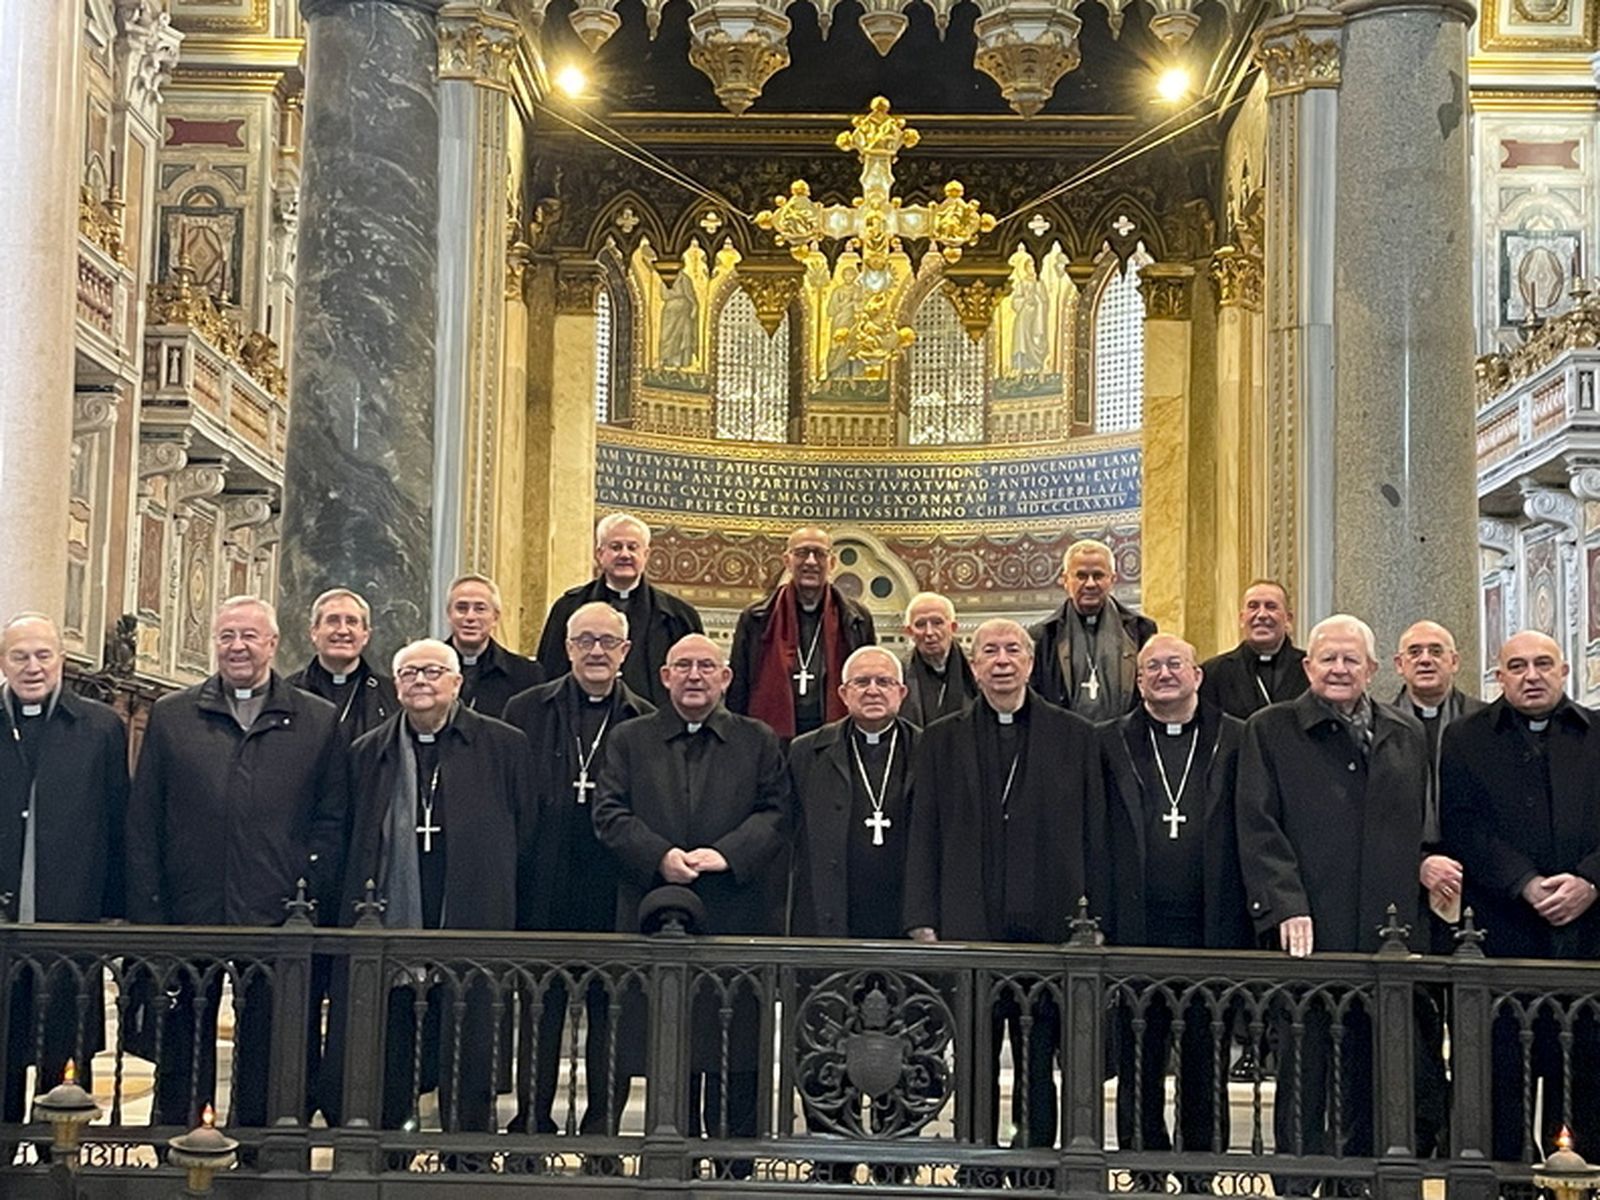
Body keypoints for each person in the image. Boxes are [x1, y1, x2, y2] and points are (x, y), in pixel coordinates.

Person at [127, 596, 348, 1127]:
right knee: (182, 1048)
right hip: (189, 910)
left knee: (268, 1051)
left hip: (275, 914)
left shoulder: (317, 720)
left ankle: (258, 1149)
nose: (238, 646)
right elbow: (145, 818)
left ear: (273, 643)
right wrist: (151, 910)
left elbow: (332, 818)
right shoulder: (172, 715)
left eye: (250, 636)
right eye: (227, 636)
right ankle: (175, 1144)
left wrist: (305, 886)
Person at [1236, 614, 1426, 1170]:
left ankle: (1364, 1178)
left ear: (1371, 668)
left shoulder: (1404, 733)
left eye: (1351, 660)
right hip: (1310, 928)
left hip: (1387, 933)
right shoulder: (1269, 729)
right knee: (1307, 1061)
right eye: (1329, 659)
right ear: (1308, 666)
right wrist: (1286, 904)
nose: (1340, 669)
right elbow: (1258, 825)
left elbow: (1419, 824)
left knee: (1378, 1066)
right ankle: (1298, 1177)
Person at [904, 618, 1097, 1148]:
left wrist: (1096, 917)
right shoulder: (943, 737)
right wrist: (922, 917)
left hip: (1051, 921)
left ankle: (1034, 1153)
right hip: (971, 920)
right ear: (975, 663)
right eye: (990, 651)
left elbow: (1095, 830)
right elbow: (925, 830)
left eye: (1014, 650)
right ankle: (976, 1155)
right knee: (974, 1052)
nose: (1003, 660)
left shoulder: (1075, 734)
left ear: (1031, 662)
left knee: (1040, 1054)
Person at [592, 634, 790, 1146]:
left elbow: (776, 811)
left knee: (734, 1051)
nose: (695, 675)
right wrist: (659, 856)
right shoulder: (629, 739)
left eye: (706, 666)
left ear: (726, 678)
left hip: (735, 914)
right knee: (666, 1047)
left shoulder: (758, 739)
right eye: (683, 665)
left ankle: (733, 1165)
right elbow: (609, 813)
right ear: (664, 676)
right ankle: (669, 1156)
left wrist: (729, 854)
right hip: (654, 914)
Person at [334, 638, 534, 1132]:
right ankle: (391, 1146)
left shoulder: (504, 745)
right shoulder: (369, 751)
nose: (421, 681)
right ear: (396, 685)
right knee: (392, 1043)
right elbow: (355, 836)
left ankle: (466, 1151)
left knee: (469, 1040)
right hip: (393, 926)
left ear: (457, 683)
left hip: (473, 916)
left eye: (432, 671)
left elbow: (525, 829)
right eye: (409, 673)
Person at [1441, 631, 1600, 1161]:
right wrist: (1525, 883)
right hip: (1503, 928)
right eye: (1517, 666)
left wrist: (1589, 881)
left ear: (1565, 671)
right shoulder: (1465, 738)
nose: (1531, 675)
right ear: (1498, 676)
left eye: (1542, 664)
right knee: (1501, 1069)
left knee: (1585, 1074)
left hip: (1588, 934)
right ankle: (1506, 1178)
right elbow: (1463, 827)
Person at [504, 602, 655, 1136]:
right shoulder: (525, 710)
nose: (596, 651)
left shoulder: (646, 720)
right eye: (585, 641)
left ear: (625, 652)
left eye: (608, 642)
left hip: (614, 885)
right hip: (544, 880)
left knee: (610, 1014)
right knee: (539, 1012)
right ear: (567, 648)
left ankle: (603, 1126)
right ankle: (531, 1120)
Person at [1097, 634, 1248, 1160]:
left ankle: (1204, 1159)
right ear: (1139, 682)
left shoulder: (1236, 737)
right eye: (1152, 667)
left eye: (1175, 664)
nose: (1164, 674)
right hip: (1137, 922)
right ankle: (1143, 1158)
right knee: (1140, 1046)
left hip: (1213, 921)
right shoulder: (1110, 740)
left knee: (1207, 1046)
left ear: (1197, 675)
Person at [0, 614, 128, 1124]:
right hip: (3, 923)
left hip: (70, 921)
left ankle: (61, 1164)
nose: (32, 667)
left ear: (62, 660)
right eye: (19, 656)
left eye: (42, 655)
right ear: (3, 662)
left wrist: (117, 914)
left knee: (67, 1055)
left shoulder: (100, 727)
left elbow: (119, 821)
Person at [1394, 619, 1483, 1156]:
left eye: (1436, 651)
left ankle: (1470, 1130)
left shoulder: (1483, 723)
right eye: (1414, 652)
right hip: (1402, 883)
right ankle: (1426, 1121)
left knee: (1470, 1012)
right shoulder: (1375, 722)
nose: (1426, 660)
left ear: (1455, 661)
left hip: (1476, 885)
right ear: (1399, 665)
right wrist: (1417, 864)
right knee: (1412, 1011)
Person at [789, 646, 918, 938]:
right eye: (861, 682)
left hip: (903, 909)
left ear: (901, 692)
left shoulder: (928, 749)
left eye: (884, 682)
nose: (873, 691)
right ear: (844, 694)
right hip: (832, 906)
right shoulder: (807, 751)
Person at [534, 513, 703, 707]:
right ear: (599, 554)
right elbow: (549, 674)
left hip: (656, 727)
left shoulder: (679, 616)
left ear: (646, 555)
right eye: (615, 547)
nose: (625, 554)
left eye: (632, 547)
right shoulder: (568, 608)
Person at [728, 527, 876, 742]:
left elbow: (867, 678)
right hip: (772, 739)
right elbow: (738, 688)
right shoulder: (757, 618)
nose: (811, 561)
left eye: (819, 554)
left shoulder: (856, 619)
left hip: (835, 738)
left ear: (832, 563)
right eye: (802, 553)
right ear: (787, 561)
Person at [1028, 538, 1155, 721]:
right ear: (1065, 580)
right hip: (1067, 742)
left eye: (1098, 575)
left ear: (1112, 579)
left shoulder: (1141, 630)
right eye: (1081, 576)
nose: (1090, 584)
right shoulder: (1044, 635)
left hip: (1124, 740)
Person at [285, 587, 396, 740]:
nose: (343, 630)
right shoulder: (287, 693)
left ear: (365, 635)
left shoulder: (392, 695)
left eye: (351, 621)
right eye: (333, 621)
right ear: (314, 632)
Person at [1198, 580, 1307, 718]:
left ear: (1288, 619)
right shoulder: (1213, 672)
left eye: (1271, 606)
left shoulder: (1311, 669)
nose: (1261, 615)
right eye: (1253, 606)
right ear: (1242, 618)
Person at [444, 573, 544, 717]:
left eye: (480, 609)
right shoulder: (422, 670)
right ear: (449, 615)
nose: (470, 617)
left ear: (495, 617)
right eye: (462, 608)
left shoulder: (527, 674)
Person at [900, 592, 975, 728]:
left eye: (937, 623)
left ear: (953, 627)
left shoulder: (976, 668)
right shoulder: (899, 674)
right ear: (909, 632)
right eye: (921, 624)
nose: (929, 632)